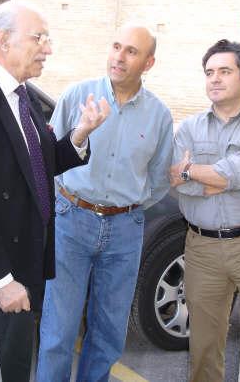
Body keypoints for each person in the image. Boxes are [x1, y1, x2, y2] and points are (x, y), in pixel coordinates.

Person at [0, 1, 110, 382]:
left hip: (24, 272)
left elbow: (37, 168)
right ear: (3, 41)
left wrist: (80, 134)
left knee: (11, 373)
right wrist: (0, 280)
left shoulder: (23, 97)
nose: (47, 48)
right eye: (39, 38)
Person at [37, 24, 174, 382]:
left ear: (149, 63)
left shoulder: (159, 116)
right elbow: (49, 159)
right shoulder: (76, 95)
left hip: (125, 231)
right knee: (58, 331)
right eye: (116, 46)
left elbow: (159, 179)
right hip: (71, 221)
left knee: (109, 334)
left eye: (131, 51)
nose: (119, 56)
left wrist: (129, 207)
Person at [170, 39, 240, 382]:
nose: (215, 79)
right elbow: (176, 180)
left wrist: (196, 172)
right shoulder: (189, 127)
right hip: (202, 248)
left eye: (225, 71)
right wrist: (235, 179)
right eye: (209, 72)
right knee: (204, 345)